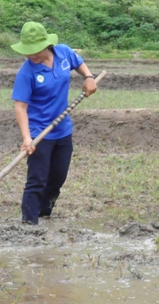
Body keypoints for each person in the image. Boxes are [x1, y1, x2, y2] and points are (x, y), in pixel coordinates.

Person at [11, 22, 97, 225]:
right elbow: (20, 107)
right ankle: (29, 222)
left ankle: (45, 213)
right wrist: (27, 138)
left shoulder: (63, 53)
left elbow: (79, 63)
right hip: (40, 132)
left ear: (47, 45)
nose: (30, 55)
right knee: (37, 180)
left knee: (58, 178)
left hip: (63, 129)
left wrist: (89, 77)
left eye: (35, 51)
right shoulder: (27, 72)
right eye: (27, 51)